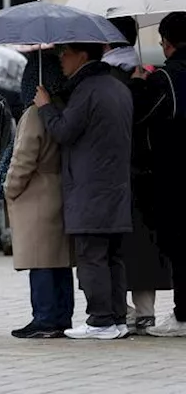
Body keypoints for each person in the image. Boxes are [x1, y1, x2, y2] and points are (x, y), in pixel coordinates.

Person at [33, 42, 133, 340]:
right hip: (115, 185)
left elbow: (64, 131)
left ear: (83, 55)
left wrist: (45, 107)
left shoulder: (86, 90)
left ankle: (100, 320)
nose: (61, 59)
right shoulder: (118, 87)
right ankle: (116, 318)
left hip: (90, 188)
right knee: (112, 256)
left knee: (92, 256)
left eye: (66, 53)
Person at [103, 17, 172, 335]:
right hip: (149, 170)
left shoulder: (104, 76)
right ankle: (145, 311)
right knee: (145, 243)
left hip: (115, 171)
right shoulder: (147, 74)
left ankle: (121, 310)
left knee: (115, 245)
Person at [5, 52, 74, 339]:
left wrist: (10, 188)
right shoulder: (62, 106)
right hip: (59, 188)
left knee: (39, 259)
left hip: (36, 192)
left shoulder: (34, 113)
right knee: (58, 260)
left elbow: (23, 157)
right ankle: (61, 316)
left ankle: (44, 319)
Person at [131, 12, 186, 337]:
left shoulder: (165, 79)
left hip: (174, 175)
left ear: (166, 42)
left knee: (179, 246)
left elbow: (140, 116)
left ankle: (183, 315)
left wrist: (138, 83)